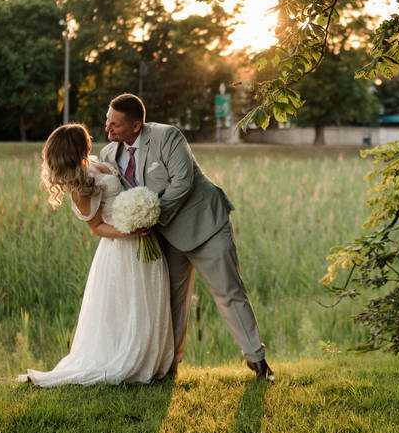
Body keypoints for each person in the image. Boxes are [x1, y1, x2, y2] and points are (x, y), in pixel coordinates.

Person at [100, 93, 274, 381]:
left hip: (206, 225)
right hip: (166, 238)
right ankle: (169, 367)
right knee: (169, 301)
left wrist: (150, 216)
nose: (108, 130)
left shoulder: (167, 136)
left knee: (228, 292)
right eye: (107, 122)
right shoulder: (109, 154)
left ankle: (257, 361)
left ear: (136, 125)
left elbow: (183, 181)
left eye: (115, 125)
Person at [18, 123, 174, 386]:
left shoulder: (92, 162)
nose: (91, 139)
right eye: (85, 138)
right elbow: (97, 227)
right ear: (79, 147)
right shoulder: (79, 185)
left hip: (142, 239)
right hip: (121, 248)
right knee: (128, 307)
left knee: (147, 301)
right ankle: (126, 360)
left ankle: (154, 360)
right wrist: (132, 232)